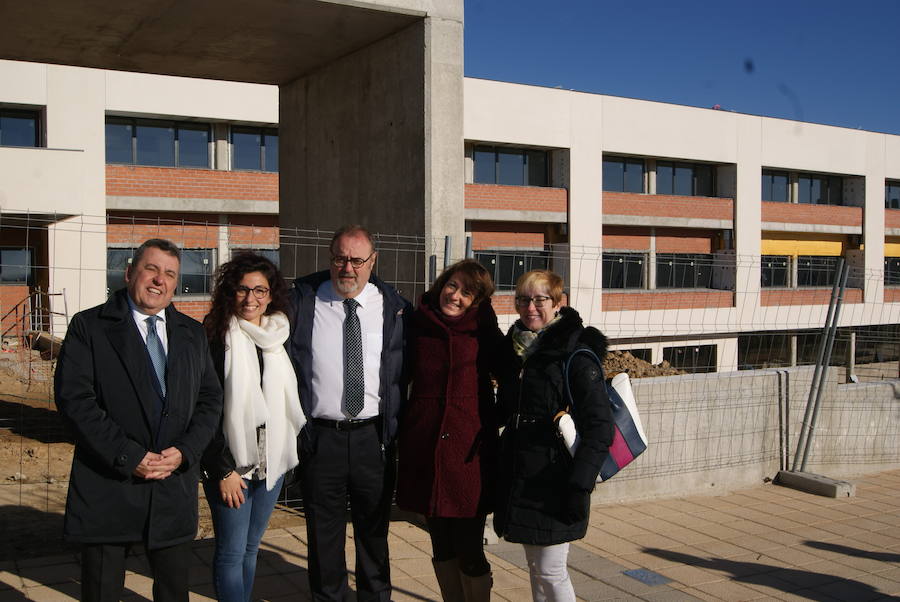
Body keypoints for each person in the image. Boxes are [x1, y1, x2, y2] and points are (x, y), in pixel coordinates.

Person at [54, 238, 223, 602]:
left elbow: (210, 400)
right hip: (109, 485)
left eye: (170, 274)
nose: (159, 280)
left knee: (175, 592)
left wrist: (186, 451)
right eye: (151, 268)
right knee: (102, 591)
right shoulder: (90, 327)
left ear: (177, 284)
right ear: (129, 272)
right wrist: (128, 456)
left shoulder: (192, 333)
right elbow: (75, 402)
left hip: (172, 485)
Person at [288, 225, 411, 601]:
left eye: (357, 260)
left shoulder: (396, 307)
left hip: (372, 440)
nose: (348, 268)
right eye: (340, 258)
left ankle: (375, 596)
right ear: (330, 259)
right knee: (323, 533)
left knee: (373, 531)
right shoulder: (302, 301)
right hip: (320, 437)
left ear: (373, 262)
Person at [494, 270, 614, 602]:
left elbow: (601, 427)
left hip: (557, 479)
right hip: (523, 476)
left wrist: (580, 484)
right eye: (522, 299)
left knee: (551, 571)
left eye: (539, 299)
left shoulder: (574, 354)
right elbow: (505, 409)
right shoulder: (517, 349)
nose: (530, 307)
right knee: (537, 568)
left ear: (558, 304)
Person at [200, 252, 305, 601]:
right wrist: (222, 469)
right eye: (243, 290)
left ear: (271, 294)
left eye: (260, 291)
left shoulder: (279, 337)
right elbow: (204, 409)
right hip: (232, 466)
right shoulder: (215, 338)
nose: (251, 299)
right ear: (230, 292)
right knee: (231, 552)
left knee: (250, 548)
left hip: (270, 461)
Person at [396, 259, 502, 602]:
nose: (454, 296)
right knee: (440, 546)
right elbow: (398, 377)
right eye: (452, 285)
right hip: (425, 450)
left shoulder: (483, 331)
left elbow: (515, 372)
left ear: (478, 301)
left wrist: (491, 421)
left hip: (469, 457)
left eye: (467, 293)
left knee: (469, 547)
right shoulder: (417, 324)